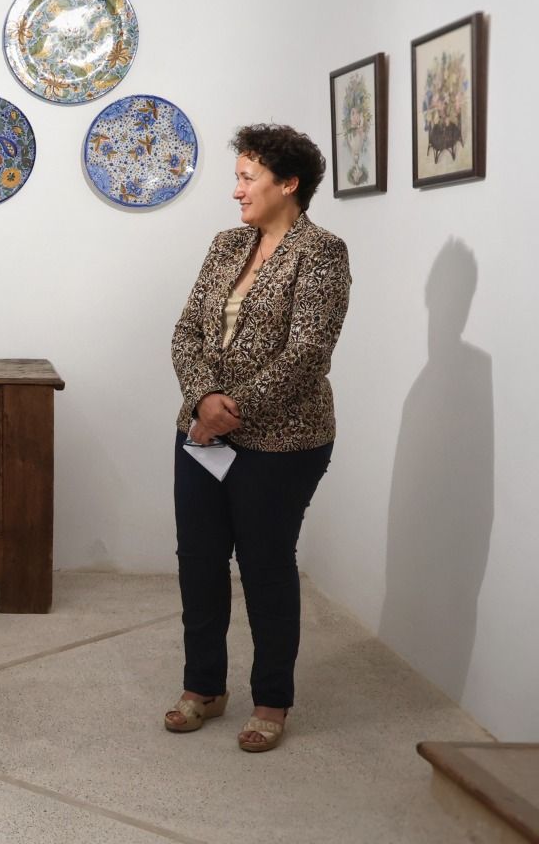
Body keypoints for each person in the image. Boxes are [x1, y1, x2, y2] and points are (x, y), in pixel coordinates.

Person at [166, 124, 351, 752]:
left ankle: (272, 699)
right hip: (201, 430)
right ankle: (204, 688)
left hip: (285, 442)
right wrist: (202, 402)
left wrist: (234, 409)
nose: (236, 190)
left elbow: (307, 354)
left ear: (288, 183)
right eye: (239, 176)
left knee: (267, 568)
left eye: (248, 178)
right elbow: (188, 331)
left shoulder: (322, 252)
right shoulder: (226, 245)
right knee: (198, 563)